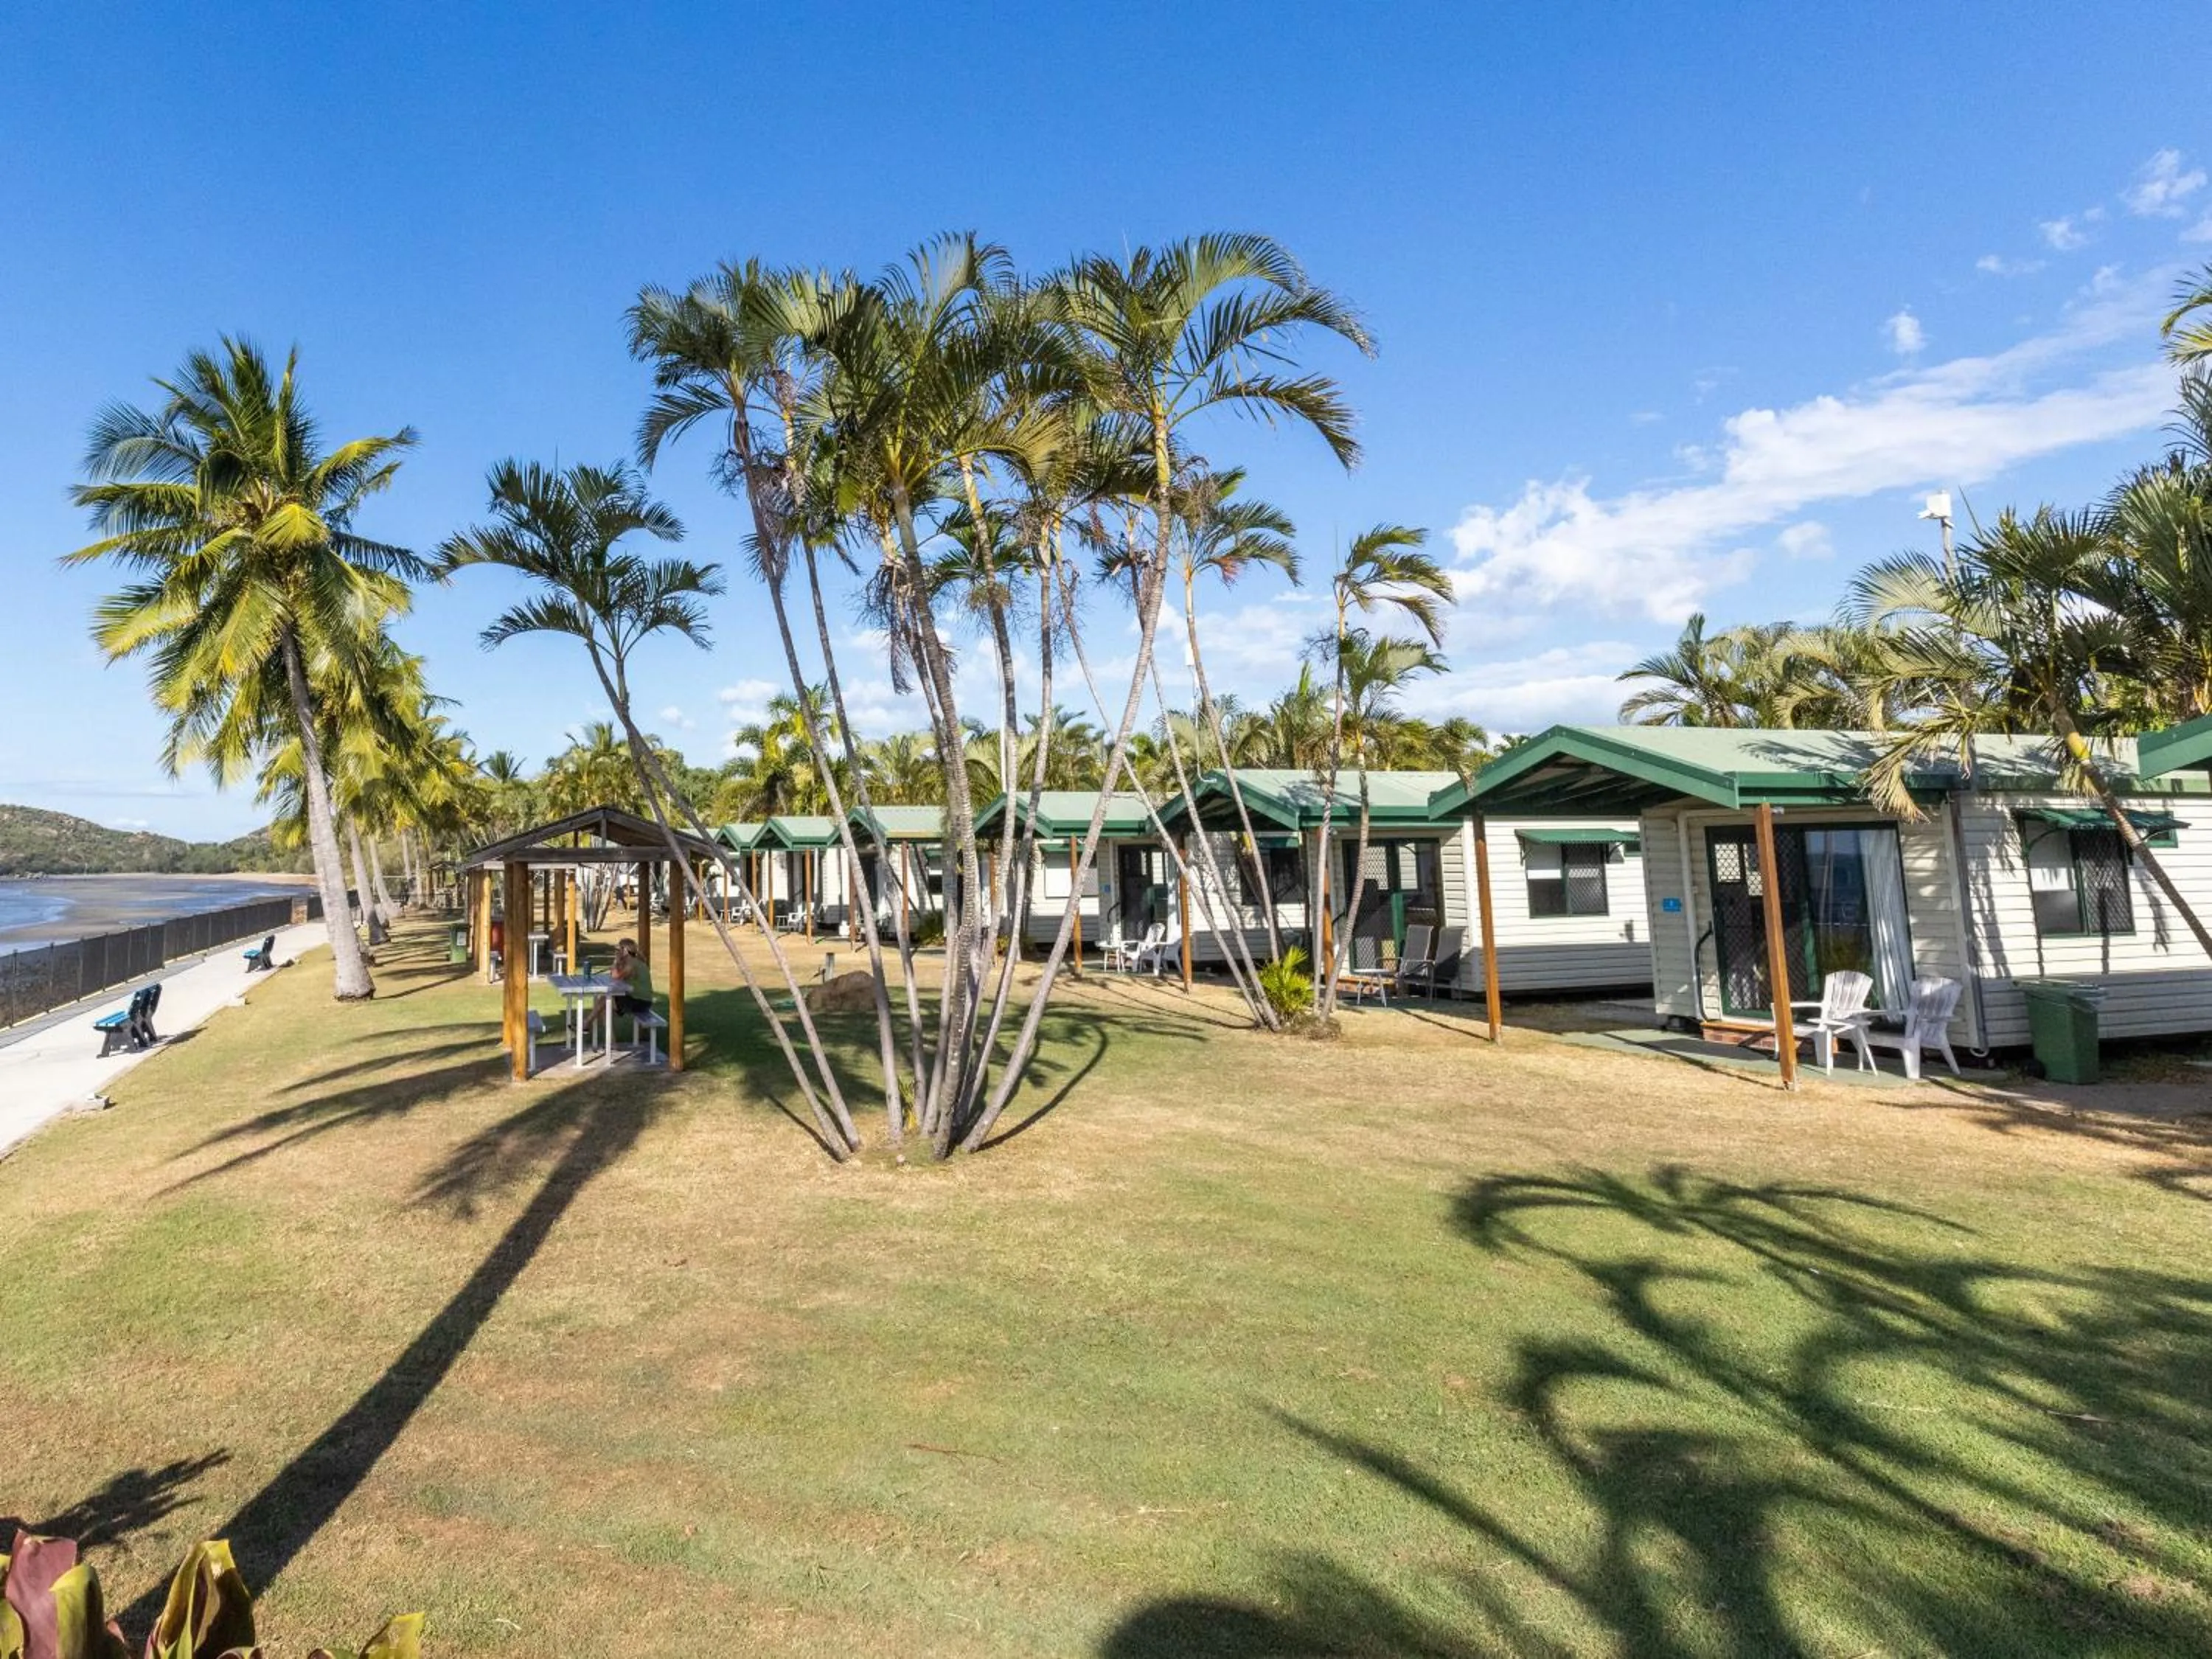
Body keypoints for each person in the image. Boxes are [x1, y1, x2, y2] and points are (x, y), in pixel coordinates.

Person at [592, 936, 654, 1045]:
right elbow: (614, 976)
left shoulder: (632, 963)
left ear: (625, 951)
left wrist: (616, 961)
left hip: (640, 1002)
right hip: (637, 999)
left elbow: (615, 976)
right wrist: (618, 963)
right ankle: (611, 1044)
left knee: (604, 1001)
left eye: (619, 949)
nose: (617, 951)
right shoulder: (632, 962)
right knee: (604, 1005)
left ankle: (586, 1025)